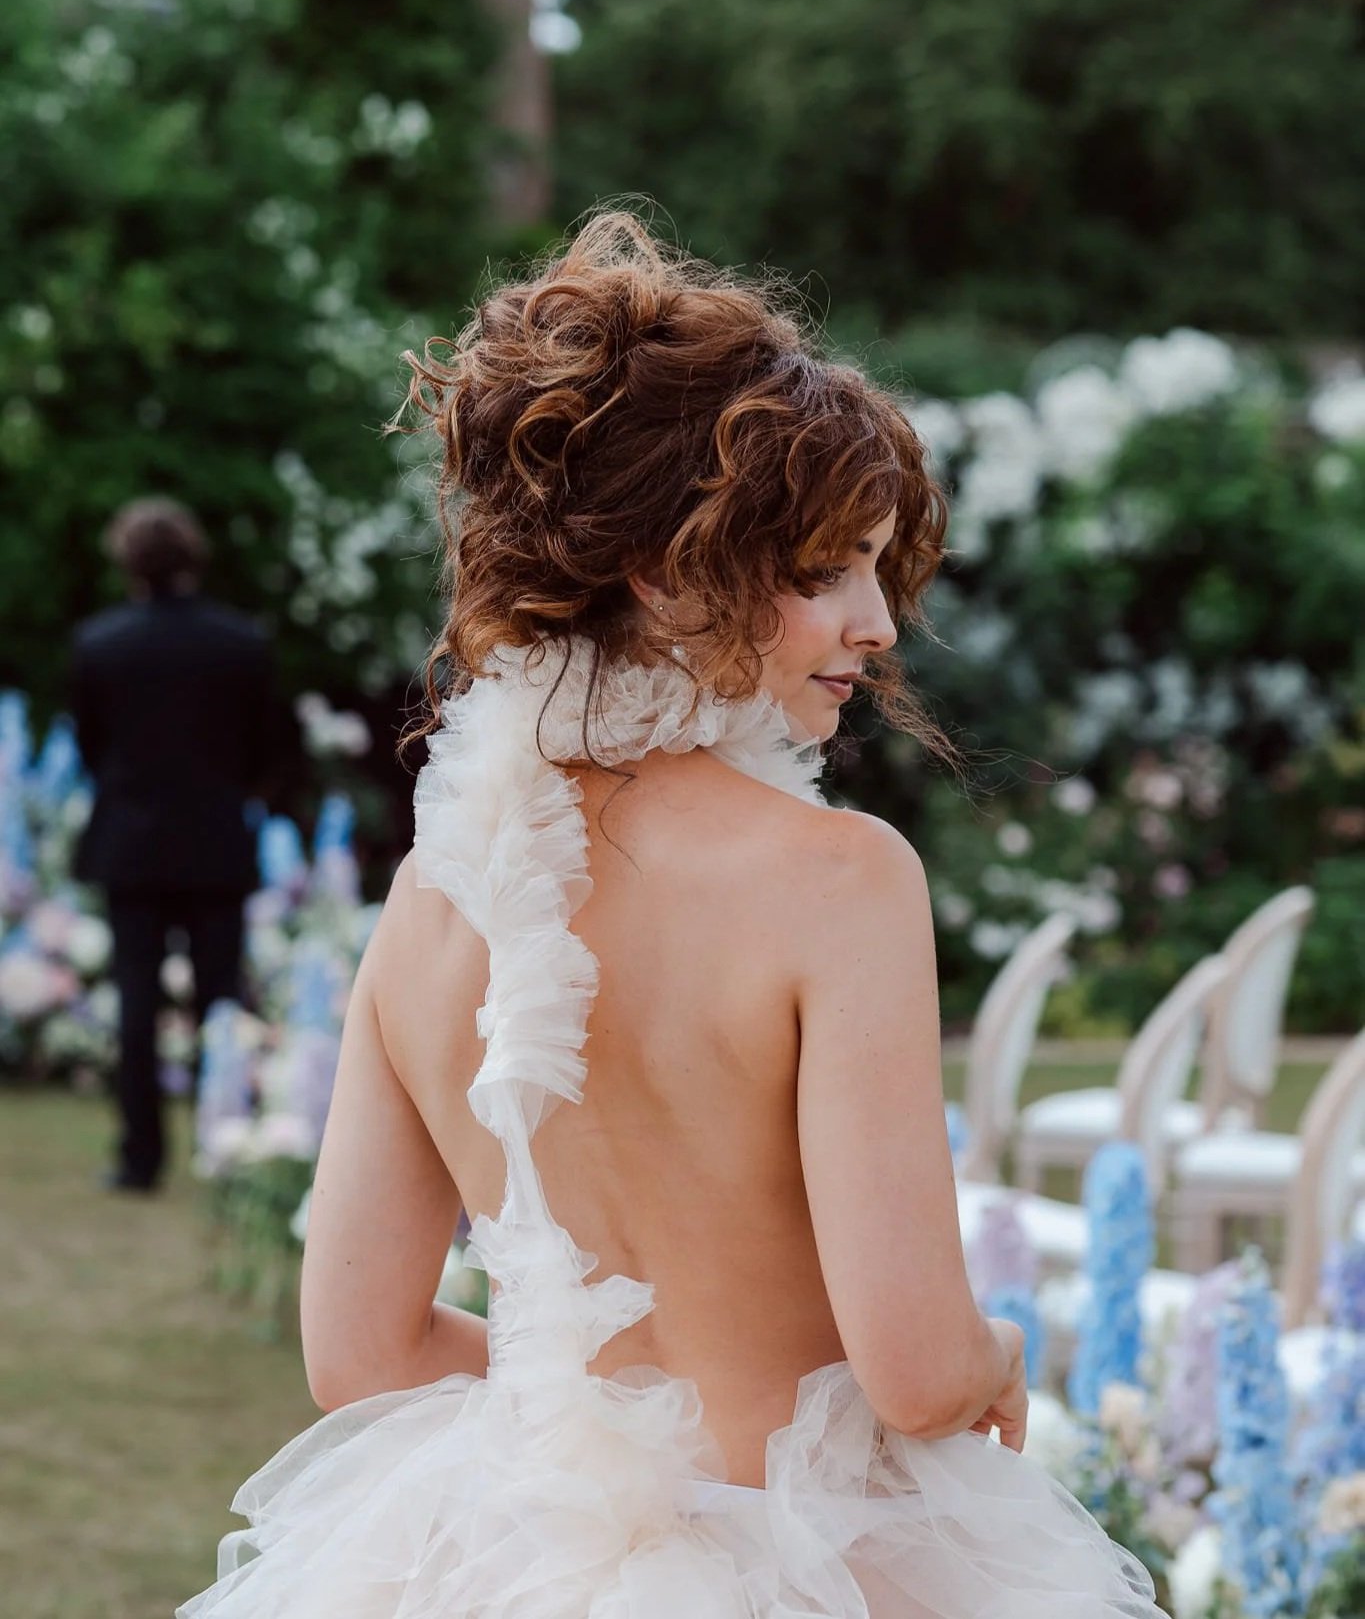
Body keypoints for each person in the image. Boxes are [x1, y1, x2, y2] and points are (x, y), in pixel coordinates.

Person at [179, 215, 1164, 1616]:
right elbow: (916, 1367)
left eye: (877, 568)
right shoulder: (840, 878)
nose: (878, 622)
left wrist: (599, 1427)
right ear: (660, 570)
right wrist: (992, 1356)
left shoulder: (429, 901)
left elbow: (363, 1351)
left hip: (517, 1563)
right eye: (825, 571)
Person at [70, 498, 291, 1193]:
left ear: (127, 561)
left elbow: (90, 750)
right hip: (216, 847)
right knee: (219, 1002)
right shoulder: (241, 643)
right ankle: (222, 1148)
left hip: (130, 850)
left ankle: (141, 1160)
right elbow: (268, 749)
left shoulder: (99, 645)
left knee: (136, 1005)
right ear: (193, 556)